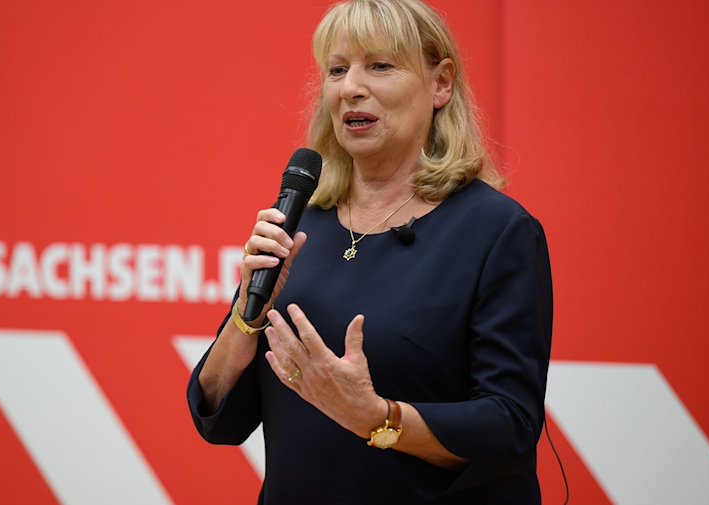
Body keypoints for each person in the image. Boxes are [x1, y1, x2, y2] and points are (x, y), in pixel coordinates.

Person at [187, 0, 553, 503]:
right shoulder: (302, 223)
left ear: (441, 84)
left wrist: (378, 419)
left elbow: (509, 426)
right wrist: (247, 319)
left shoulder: (497, 231)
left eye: (380, 65)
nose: (349, 87)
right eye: (337, 70)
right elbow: (218, 415)